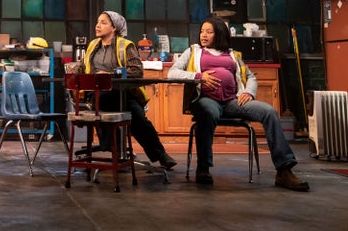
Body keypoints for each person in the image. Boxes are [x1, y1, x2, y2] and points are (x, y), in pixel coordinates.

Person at [168, 16, 309, 191]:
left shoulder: (233, 55)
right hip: (206, 100)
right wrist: (199, 76)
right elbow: (172, 73)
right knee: (208, 112)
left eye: (209, 32)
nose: (203, 35)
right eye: (202, 31)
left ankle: (284, 170)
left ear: (219, 34)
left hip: (232, 102)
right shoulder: (194, 51)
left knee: (269, 111)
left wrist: (249, 92)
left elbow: (250, 77)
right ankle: (203, 168)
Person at [77, 11, 177, 169]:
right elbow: (83, 68)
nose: (98, 25)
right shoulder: (92, 46)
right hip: (96, 94)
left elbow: (137, 72)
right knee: (124, 109)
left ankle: (119, 150)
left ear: (114, 28)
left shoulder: (125, 46)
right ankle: (120, 151)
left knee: (136, 115)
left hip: (122, 93)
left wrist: (109, 75)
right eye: (97, 22)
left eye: (103, 22)